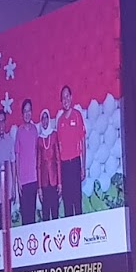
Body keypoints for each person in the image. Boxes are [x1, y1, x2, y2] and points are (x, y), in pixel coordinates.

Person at [53, 86, 87, 217]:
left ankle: (79, 228)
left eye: (67, 96)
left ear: (71, 98)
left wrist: (83, 166)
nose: (65, 100)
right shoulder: (60, 121)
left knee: (77, 201)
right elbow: (59, 149)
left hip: (75, 163)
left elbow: (83, 142)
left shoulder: (77, 115)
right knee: (67, 202)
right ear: (61, 101)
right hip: (65, 166)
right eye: (63, 98)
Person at [15, 100, 40, 225]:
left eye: (29, 111)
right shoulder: (19, 131)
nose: (27, 114)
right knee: (25, 215)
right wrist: (18, 180)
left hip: (34, 178)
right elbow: (17, 156)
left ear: (32, 112)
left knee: (32, 213)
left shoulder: (35, 130)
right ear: (22, 114)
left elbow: (37, 153)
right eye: (25, 111)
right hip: (23, 181)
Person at [37, 107, 62, 222]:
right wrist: (39, 188)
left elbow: (58, 160)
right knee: (46, 215)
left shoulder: (54, 135)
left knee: (55, 213)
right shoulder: (39, 140)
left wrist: (60, 183)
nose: (45, 121)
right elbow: (38, 165)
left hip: (54, 181)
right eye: (43, 118)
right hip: (44, 183)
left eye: (46, 118)